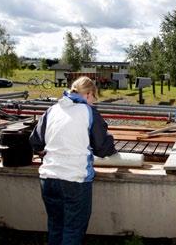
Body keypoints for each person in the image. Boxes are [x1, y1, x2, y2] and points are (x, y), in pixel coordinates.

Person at [29, 76, 116, 245]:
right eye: (93, 98)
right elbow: (102, 148)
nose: (93, 102)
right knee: (73, 230)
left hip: (48, 179)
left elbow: (36, 142)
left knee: (55, 226)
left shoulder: (52, 110)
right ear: (89, 94)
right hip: (75, 180)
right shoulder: (88, 112)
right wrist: (111, 143)